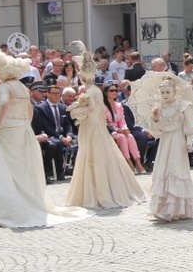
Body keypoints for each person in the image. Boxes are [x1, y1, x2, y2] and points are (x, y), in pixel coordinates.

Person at [0, 51, 91, 228]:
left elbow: (4, 103)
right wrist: (25, 124)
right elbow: (30, 109)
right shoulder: (22, 87)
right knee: (20, 167)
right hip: (22, 130)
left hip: (7, 130)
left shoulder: (6, 87)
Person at [66, 42, 146, 209]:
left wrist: (76, 108)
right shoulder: (91, 90)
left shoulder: (91, 91)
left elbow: (90, 110)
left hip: (94, 129)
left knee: (96, 158)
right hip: (92, 128)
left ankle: (100, 192)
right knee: (93, 157)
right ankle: (96, 190)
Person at [149, 77, 193, 222]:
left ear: (174, 91)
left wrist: (190, 141)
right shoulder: (159, 107)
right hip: (165, 141)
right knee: (163, 170)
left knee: (176, 170)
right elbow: (157, 131)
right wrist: (156, 118)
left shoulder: (183, 106)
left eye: (167, 91)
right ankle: (162, 208)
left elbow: (189, 126)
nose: (164, 95)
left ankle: (178, 208)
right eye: (162, 92)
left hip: (177, 141)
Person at [32, 84, 75, 183]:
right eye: (54, 93)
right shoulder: (41, 108)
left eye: (58, 94)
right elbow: (45, 126)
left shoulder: (63, 107)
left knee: (78, 143)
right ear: (47, 94)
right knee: (55, 144)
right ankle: (50, 172)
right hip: (49, 135)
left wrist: (69, 135)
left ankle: (70, 170)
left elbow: (68, 124)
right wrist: (60, 137)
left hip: (63, 135)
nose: (56, 96)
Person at [103, 83, 147, 174]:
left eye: (116, 90)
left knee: (129, 136)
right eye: (112, 90)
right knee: (122, 137)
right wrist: (118, 130)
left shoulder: (119, 105)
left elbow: (122, 121)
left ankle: (138, 163)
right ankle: (128, 162)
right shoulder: (102, 107)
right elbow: (106, 123)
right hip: (109, 131)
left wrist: (125, 129)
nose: (115, 92)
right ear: (106, 93)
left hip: (120, 129)